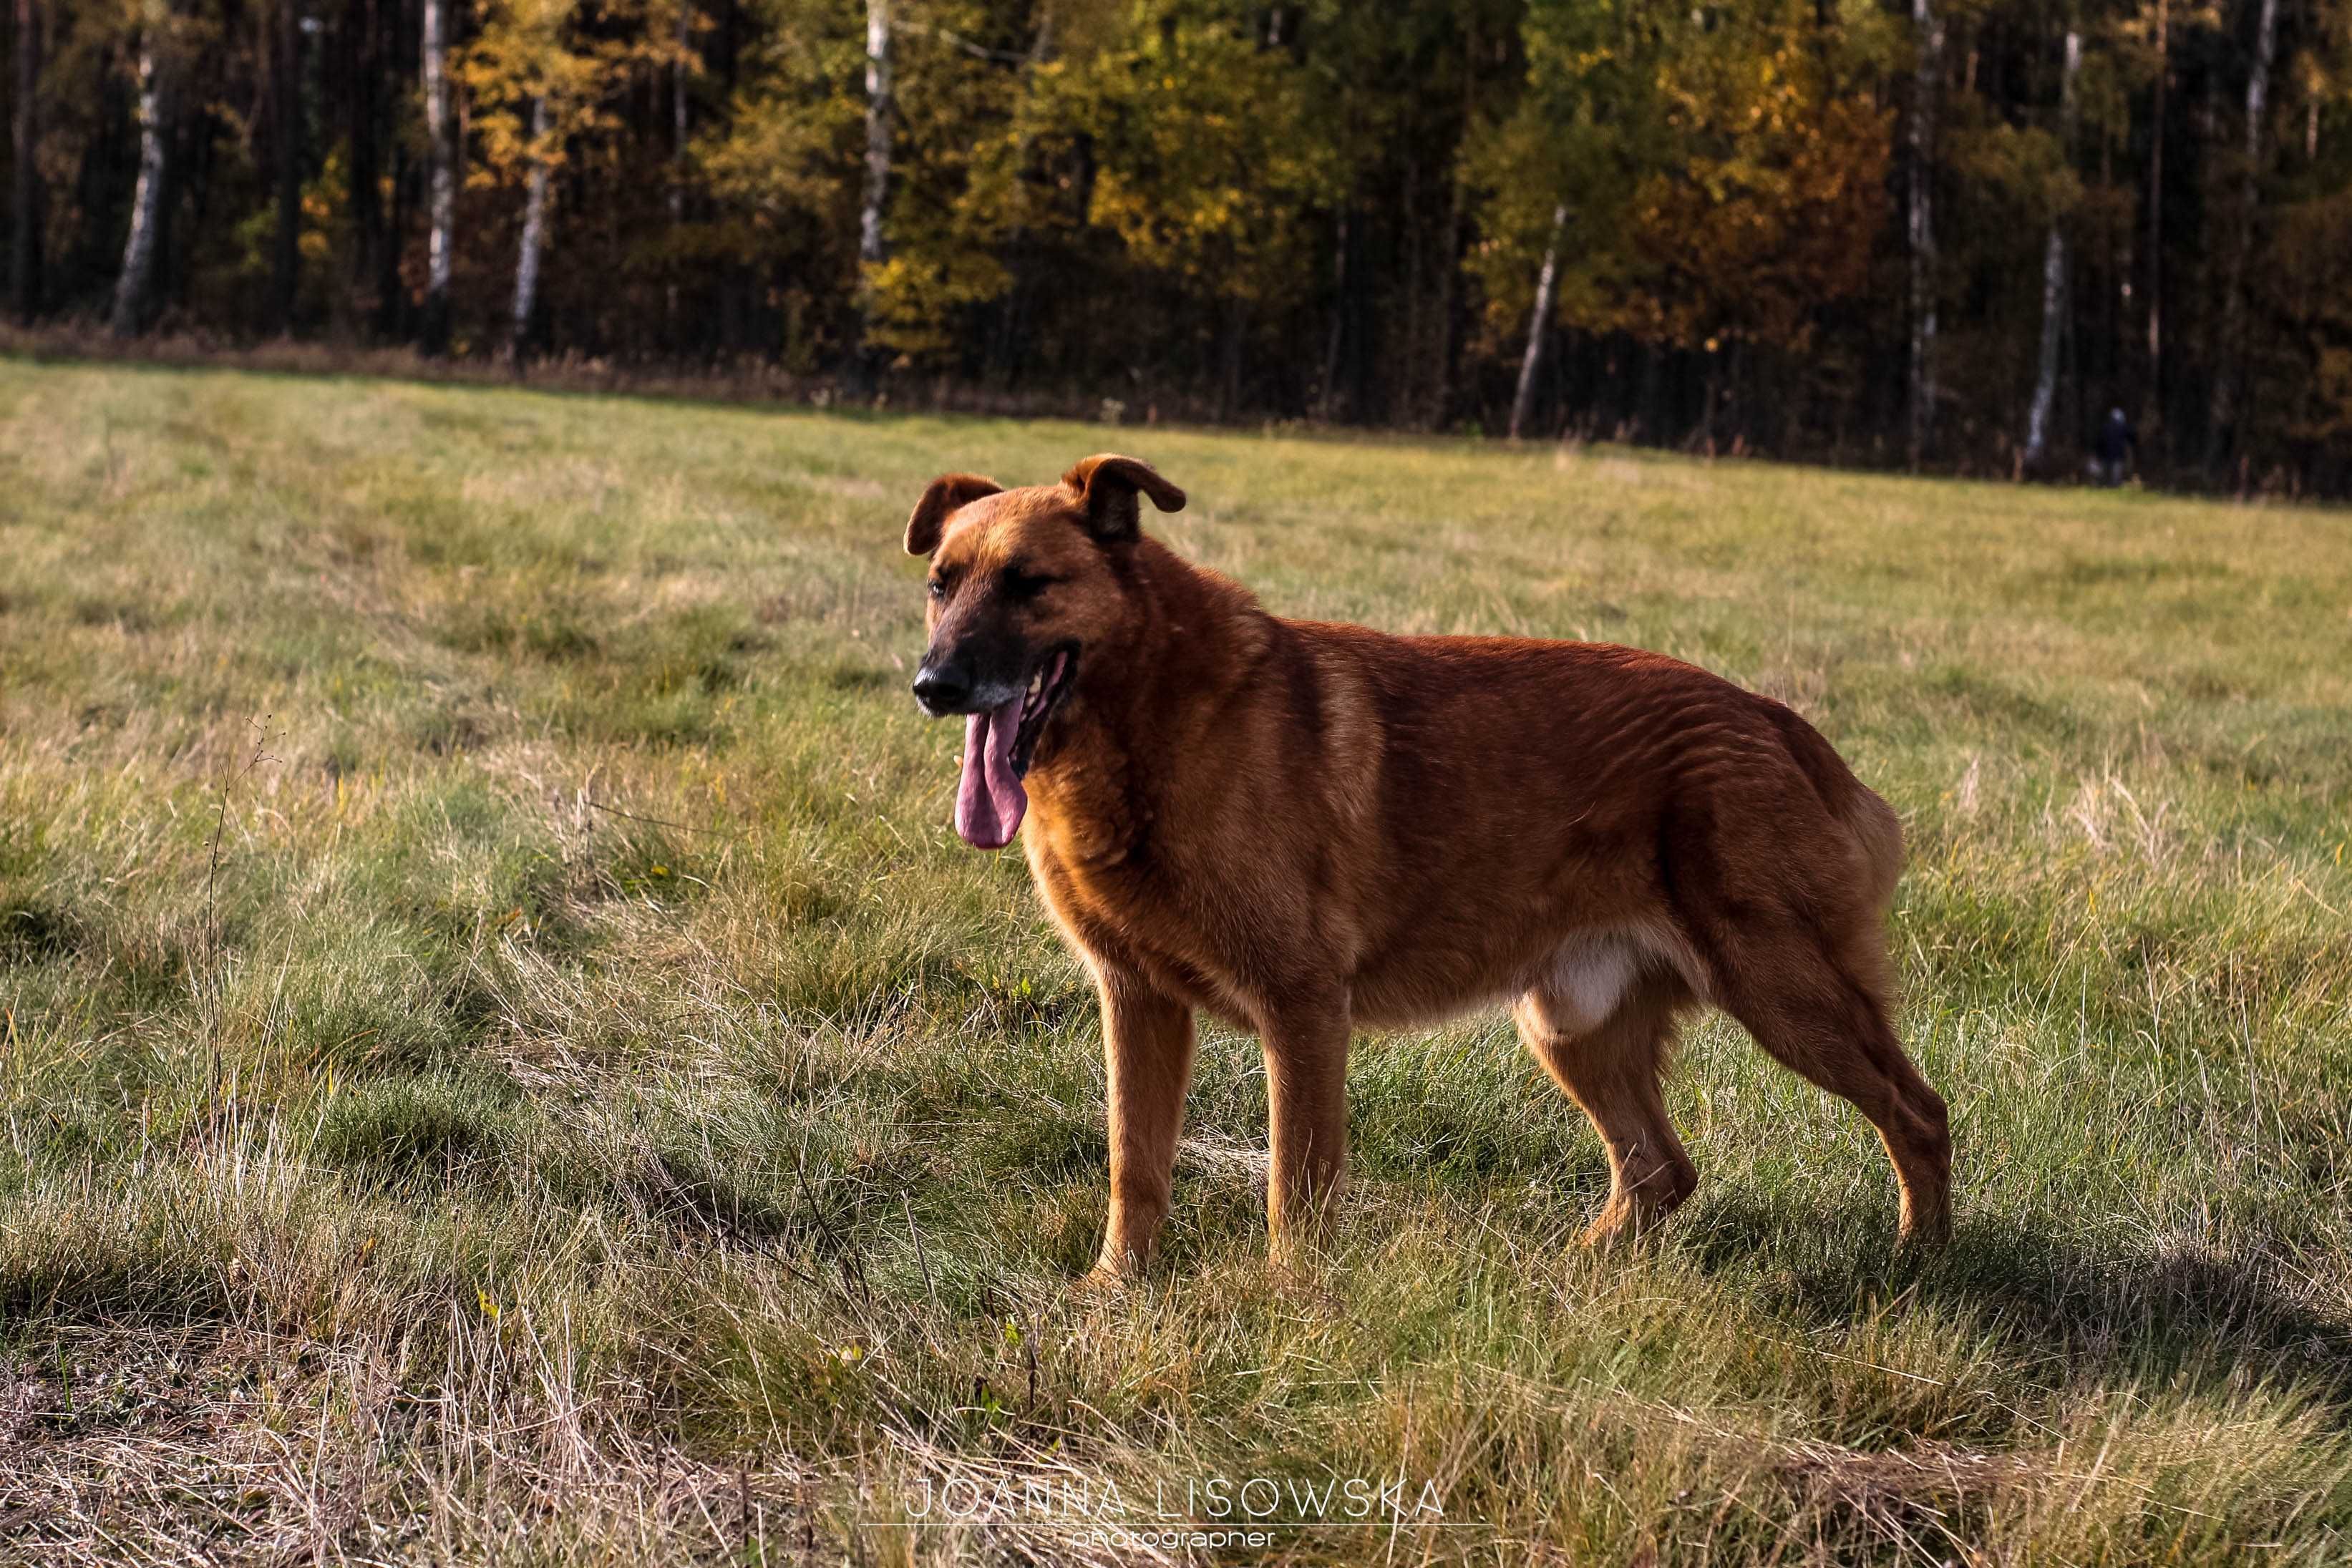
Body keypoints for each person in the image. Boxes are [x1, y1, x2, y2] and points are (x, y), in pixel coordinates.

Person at [2091, 407, 2137, 486]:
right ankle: (2113, 486)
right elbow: (2132, 437)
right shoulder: (2123, 427)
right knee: (2115, 477)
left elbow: (2099, 442)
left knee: (2105, 475)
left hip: (2105, 455)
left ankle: (2104, 485)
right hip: (2118, 455)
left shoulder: (2105, 427)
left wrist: (2098, 454)